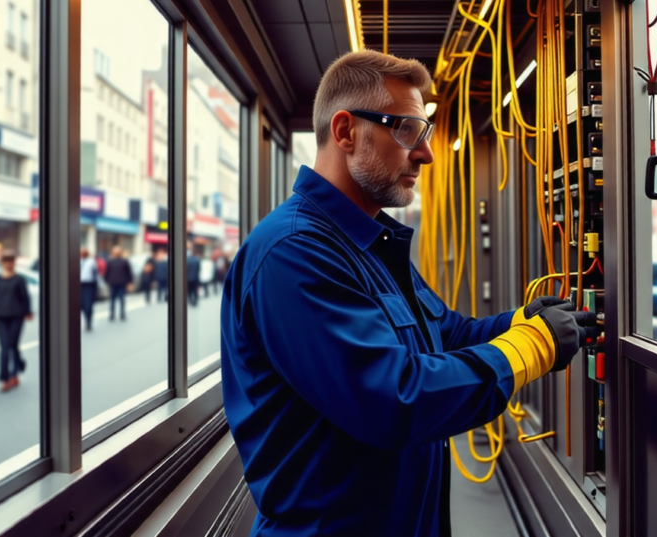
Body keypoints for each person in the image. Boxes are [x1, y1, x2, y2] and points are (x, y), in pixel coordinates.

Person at [219, 50, 597, 536]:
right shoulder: (295, 254)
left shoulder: (368, 243)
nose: (426, 154)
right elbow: (395, 400)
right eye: (407, 131)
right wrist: (532, 346)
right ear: (346, 131)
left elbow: (445, 332)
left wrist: (519, 321)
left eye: (426, 134)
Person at [0, 250, 32, 392]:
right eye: (5, 261)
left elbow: (25, 297)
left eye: (10, 261)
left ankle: (15, 369)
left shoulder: (19, 279)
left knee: (13, 345)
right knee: (4, 347)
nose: (8, 264)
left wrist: (28, 312)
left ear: (14, 263)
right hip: (0, 316)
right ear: (2, 263)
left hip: (16, 315)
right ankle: (5, 378)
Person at [104, 247, 133, 321]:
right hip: (113, 283)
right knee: (113, 299)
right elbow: (107, 272)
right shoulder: (110, 261)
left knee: (120, 299)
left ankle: (121, 314)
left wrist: (129, 283)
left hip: (121, 283)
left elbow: (128, 273)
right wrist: (106, 280)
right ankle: (112, 314)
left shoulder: (124, 261)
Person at [80, 248, 99, 332]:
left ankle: (89, 322)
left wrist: (96, 287)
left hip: (88, 285)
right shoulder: (77, 261)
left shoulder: (91, 262)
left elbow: (95, 274)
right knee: (82, 305)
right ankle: (85, 320)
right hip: (79, 285)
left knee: (88, 305)